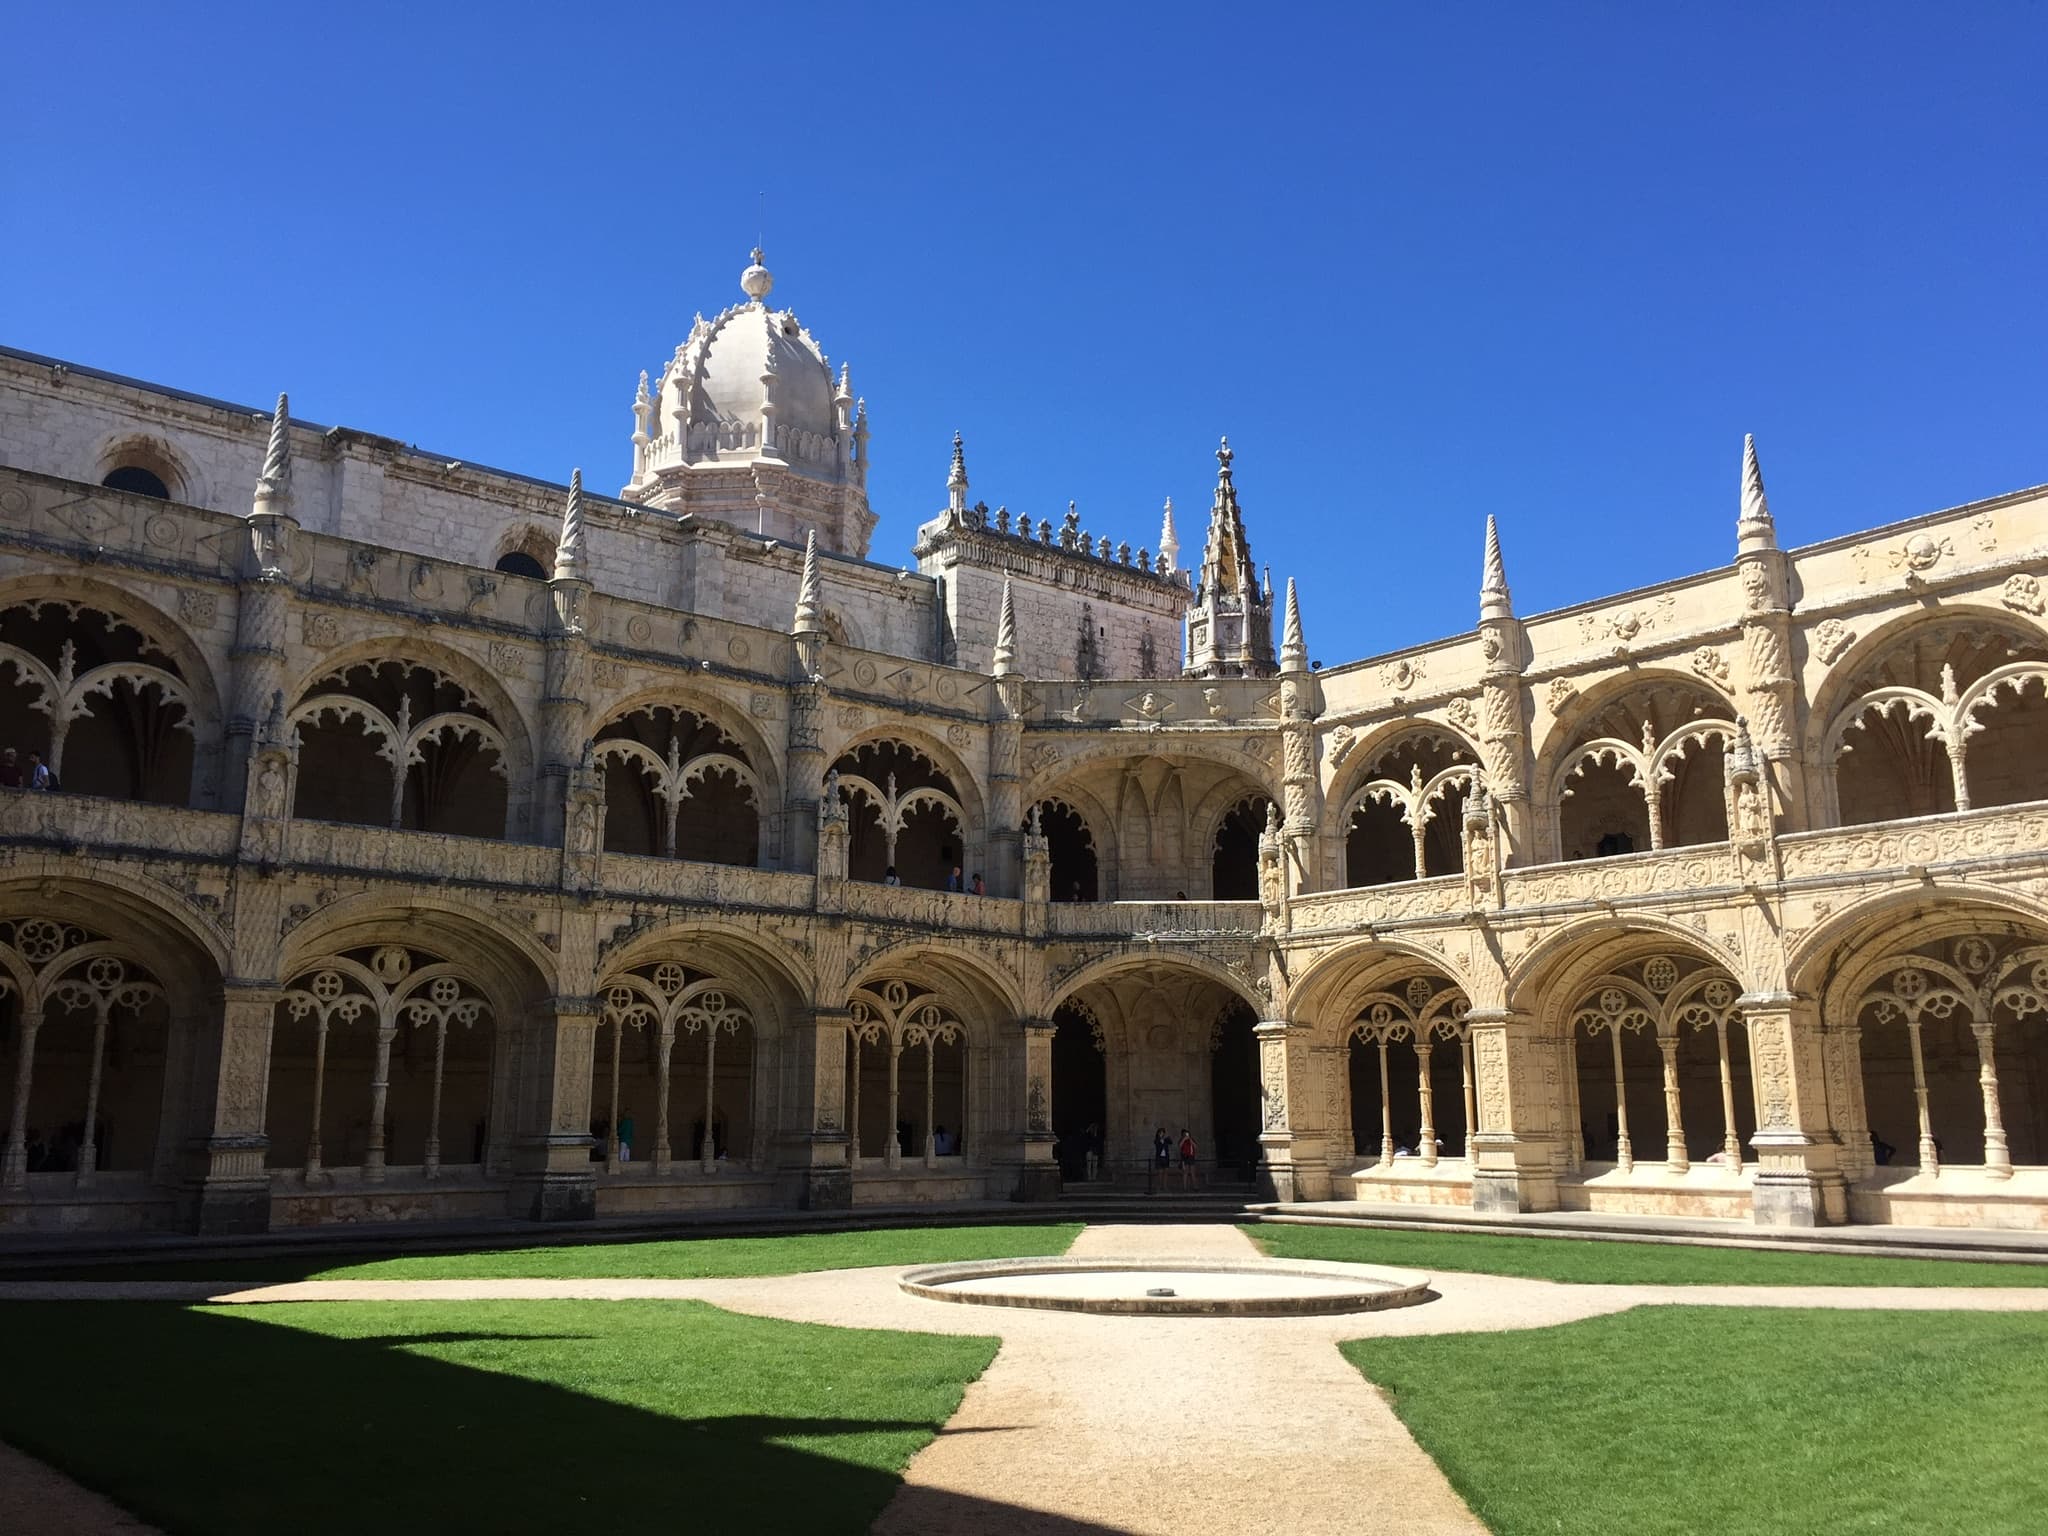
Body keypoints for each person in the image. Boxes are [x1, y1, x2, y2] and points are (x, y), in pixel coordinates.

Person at [1152, 1125, 1171, 1194]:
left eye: (1163, 1132)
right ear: (1158, 1133)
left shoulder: (1166, 1139)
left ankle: (1165, 1186)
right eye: (1160, 1132)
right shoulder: (1156, 1140)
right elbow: (1156, 1144)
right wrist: (1160, 1138)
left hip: (1166, 1158)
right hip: (1159, 1158)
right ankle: (1159, 1186)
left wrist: (1166, 1137)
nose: (1162, 1134)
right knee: (1160, 1173)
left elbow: (1170, 1142)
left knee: (1166, 1173)